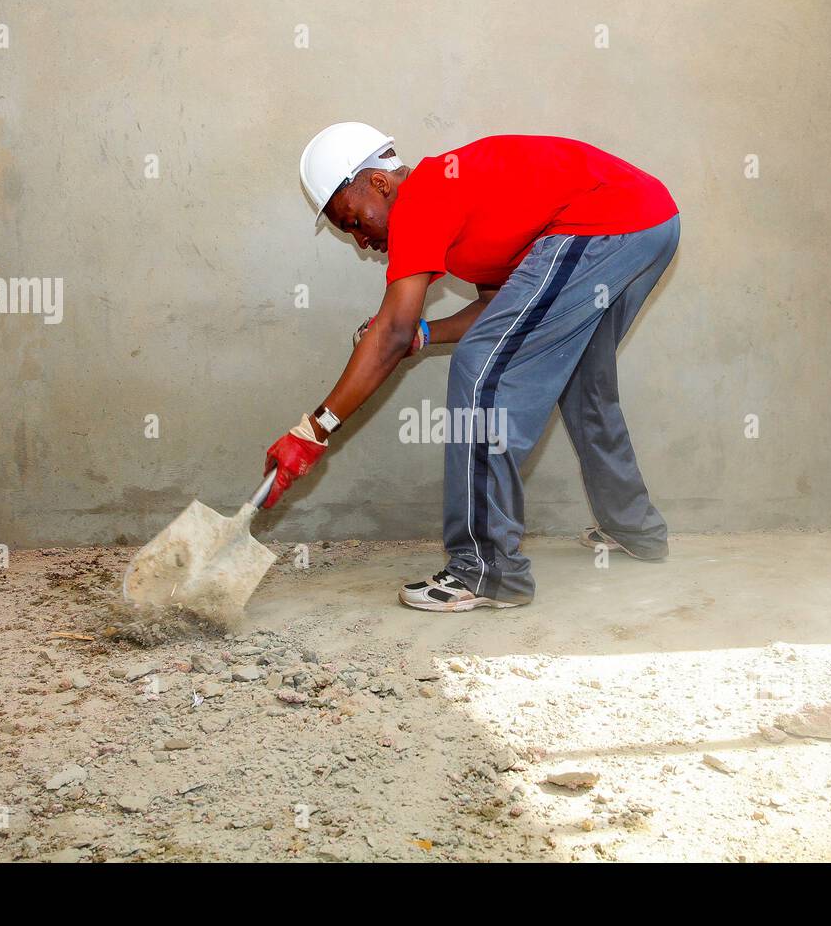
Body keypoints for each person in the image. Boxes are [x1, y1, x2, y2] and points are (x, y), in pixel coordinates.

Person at [265, 123, 680, 612]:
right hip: (649, 222)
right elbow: (500, 311)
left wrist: (315, 429)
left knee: (480, 371)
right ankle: (634, 528)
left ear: (378, 183)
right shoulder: (461, 219)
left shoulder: (423, 194)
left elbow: (391, 334)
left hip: (607, 224)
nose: (359, 239)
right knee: (581, 381)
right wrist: (425, 333)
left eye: (354, 220)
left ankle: (485, 569)